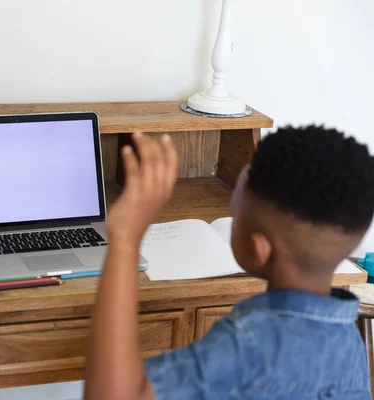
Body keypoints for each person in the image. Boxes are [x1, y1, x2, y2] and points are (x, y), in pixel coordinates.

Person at [84, 126, 374, 400]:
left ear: (259, 248)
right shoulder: (350, 342)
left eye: (236, 215)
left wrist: (124, 239)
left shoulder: (248, 343)